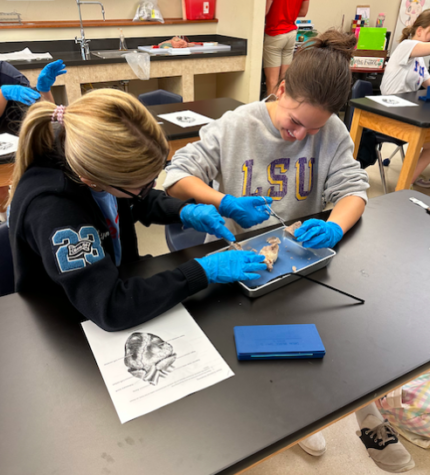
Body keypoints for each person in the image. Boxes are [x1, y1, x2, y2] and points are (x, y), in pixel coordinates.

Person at [163, 30, 414, 471]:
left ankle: (364, 410)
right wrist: (223, 201)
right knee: (262, 349)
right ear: (280, 90)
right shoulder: (236, 125)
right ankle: (299, 414)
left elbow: (354, 188)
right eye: (294, 122)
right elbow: (176, 174)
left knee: (343, 326)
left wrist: (335, 226)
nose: (300, 136)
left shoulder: (330, 131)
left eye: (312, 129)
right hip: (238, 260)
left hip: (299, 254)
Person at [7, 88, 268, 331]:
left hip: (115, 277)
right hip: (68, 324)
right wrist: (201, 271)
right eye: (144, 185)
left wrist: (185, 211)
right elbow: (110, 307)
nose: (151, 189)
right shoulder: (53, 207)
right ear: (93, 179)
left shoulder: (92, 166)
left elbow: (135, 199)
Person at [0, 59, 66, 221]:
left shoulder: (7, 75)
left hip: (13, 147)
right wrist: (2, 95)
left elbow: (43, 115)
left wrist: (44, 91)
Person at [380, 9, 430, 188]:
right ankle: (405, 183)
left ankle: (408, 178)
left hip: (408, 112)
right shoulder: (406, 46)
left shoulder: (420, 61)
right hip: (389, 112)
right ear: (419, 30)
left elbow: (428, 83)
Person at [263, 0, 309, 97]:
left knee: (272, 83)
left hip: (275, 34)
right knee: (283, 82)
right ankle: (282, 110)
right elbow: (303, 12)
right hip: (291, 34)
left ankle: (272, 111)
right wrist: (288, 15)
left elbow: (264, 11)